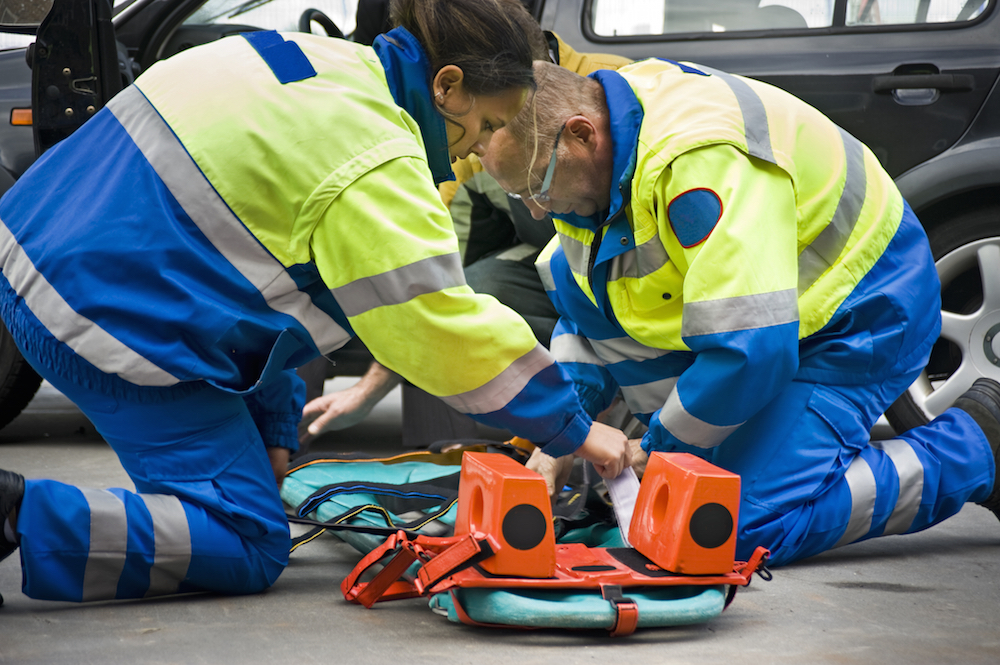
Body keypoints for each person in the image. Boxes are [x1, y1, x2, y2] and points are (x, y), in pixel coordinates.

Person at [0, 0, 629, 603]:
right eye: (488, 122)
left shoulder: (301, 57)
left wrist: (275, 427)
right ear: (448, 86)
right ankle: (18, 515)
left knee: (250, 481)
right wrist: (575, 430)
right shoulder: (376, 159)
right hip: (90, 310)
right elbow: (438, 322)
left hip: (30, 243)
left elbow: (254, 279)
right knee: (248, 540)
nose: (478, 148)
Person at [479, 59, 1000, 567]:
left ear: (581, 134)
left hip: (863, 312)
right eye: (518, 193)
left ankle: (975, 445)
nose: (535, 210)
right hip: (780, 319)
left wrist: (655, 449)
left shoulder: (698, 163)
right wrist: (563, 434)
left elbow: (753, 346)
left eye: (536, 186)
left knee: (726, 527)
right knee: (689, 493)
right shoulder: (603, 147)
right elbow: (587, 307)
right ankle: (753, 452)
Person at [299, 17, 632, 446]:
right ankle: (445, 461)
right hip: (548, 263)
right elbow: (425, 277)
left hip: (626, 254)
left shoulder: (602, 85)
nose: (535, 209)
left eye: (496, 127)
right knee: (468, 292)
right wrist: (371, 384)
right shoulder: (471, 121)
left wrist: (572, 431)